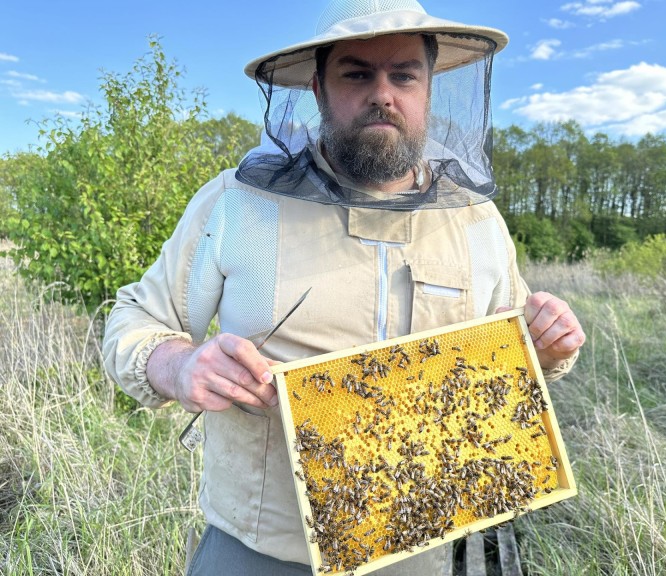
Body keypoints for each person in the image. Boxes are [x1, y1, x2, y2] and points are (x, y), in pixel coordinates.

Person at [102, 0, 585, 574]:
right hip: (263, 551)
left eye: (403, 74)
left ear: (429, 90)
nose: (383, 93)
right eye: (357, 73)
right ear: (318, 89)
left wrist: (549, 345)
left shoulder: (477, 223)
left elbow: (513, 349)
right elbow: (134, 316)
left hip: (427, 546)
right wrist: (179, 365)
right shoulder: (237, 203)